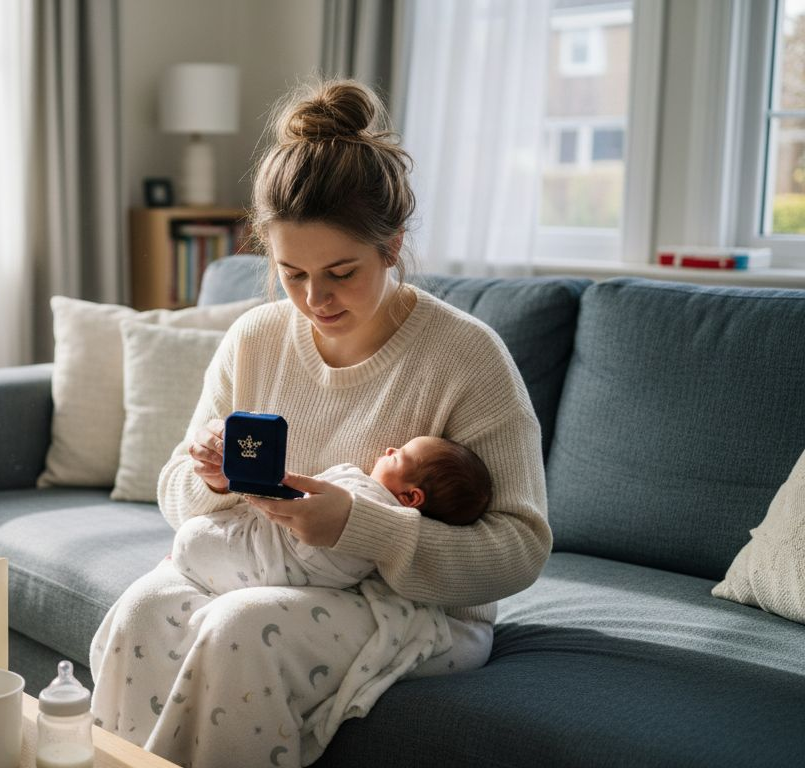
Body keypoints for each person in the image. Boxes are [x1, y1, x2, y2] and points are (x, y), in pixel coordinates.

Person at [88, 79, 551, 768]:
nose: (315, 299)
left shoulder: (466, 357)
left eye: (340, 272)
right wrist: (211, 479)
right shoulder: (255, 339)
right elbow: (174, 494)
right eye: (292, 273)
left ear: (392, 246)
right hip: (263, 567)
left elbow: (520, 549)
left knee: (241, 629)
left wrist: (361, 528)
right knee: (140, 611)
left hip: (416, 611)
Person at [172, 436, 493, 593]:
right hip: (280, 574)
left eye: (399, 457)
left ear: (410, 497)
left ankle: (192, 561)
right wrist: (212, 476)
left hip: (270, 560)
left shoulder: (363, 495)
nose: (389, 450)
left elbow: (296, 510)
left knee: (200, 540)